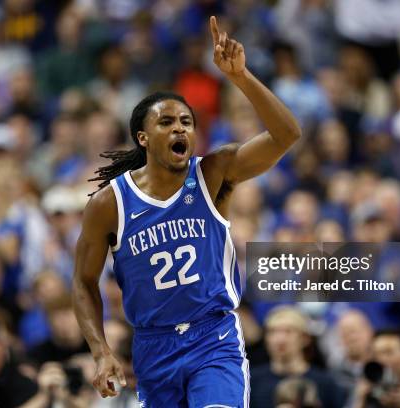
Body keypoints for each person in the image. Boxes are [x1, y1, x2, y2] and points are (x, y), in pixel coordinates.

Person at [72, 16, 301, 407]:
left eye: (187, 122)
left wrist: (241, 77)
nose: (180, 129)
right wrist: (101, 351)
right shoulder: (110, 204)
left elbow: (287, 135)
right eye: (167, 122)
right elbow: (83, 281)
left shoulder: (214, 172)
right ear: (143, 138)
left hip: (213, 338)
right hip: (153, 347)